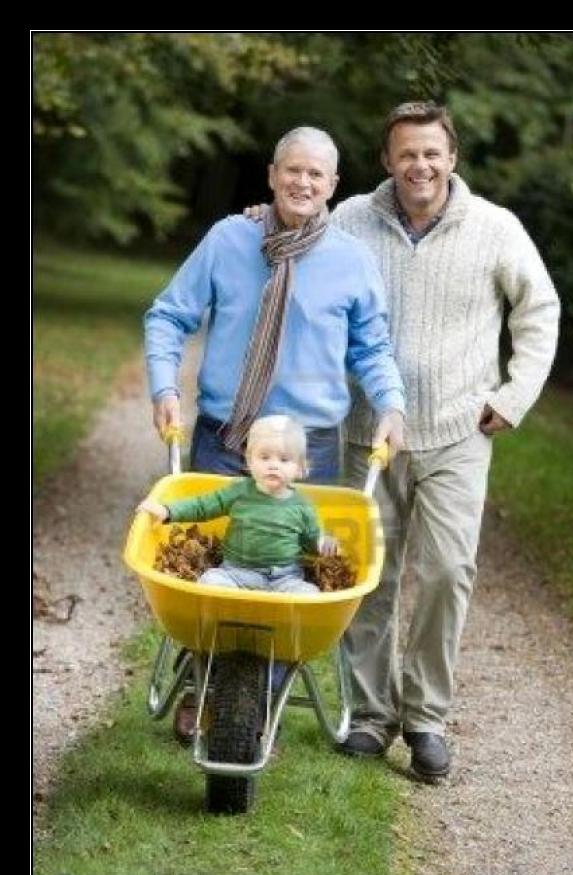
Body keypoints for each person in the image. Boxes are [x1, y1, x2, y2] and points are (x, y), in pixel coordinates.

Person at [144, 125, 406, 742]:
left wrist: (392, 402)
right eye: (294, 170)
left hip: (308, 445)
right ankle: (206, 680)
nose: (303, 182)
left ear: (333, 186)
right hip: (225, 434)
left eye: (317, 174)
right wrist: (163, 386)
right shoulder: (229, 238)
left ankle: (249, 694)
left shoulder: (351, 261)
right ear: (271, 174)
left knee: (290, 574)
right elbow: (168, 314)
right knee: (211, 566)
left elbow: (372, 348)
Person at [332, 101, 561, 781]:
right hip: (364, 432)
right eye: (407, 153)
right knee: (367, 578)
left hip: (458, 433)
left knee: (446, 573)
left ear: (452, 157)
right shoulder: (348, 222)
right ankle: (371, 717)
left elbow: (539, 311)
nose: (420, 165)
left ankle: (426, 717)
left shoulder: (495, 228)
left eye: (432, 152)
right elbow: (298, 255)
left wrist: (513, 396)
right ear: (387, 160)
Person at [137, 415, 337, 594]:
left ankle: (284, 623)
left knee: (307, 593)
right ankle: (223, 621)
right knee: (210, 581)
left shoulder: (302, 506)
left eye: (284, 459)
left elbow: (311, 539)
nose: (273, 465)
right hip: (236, 572)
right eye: (264, 457)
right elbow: (204, 505)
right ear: (249, 461)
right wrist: (168, 511)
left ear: (300, 469)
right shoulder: (240, 491)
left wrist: (322, 543)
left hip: (284, 577)